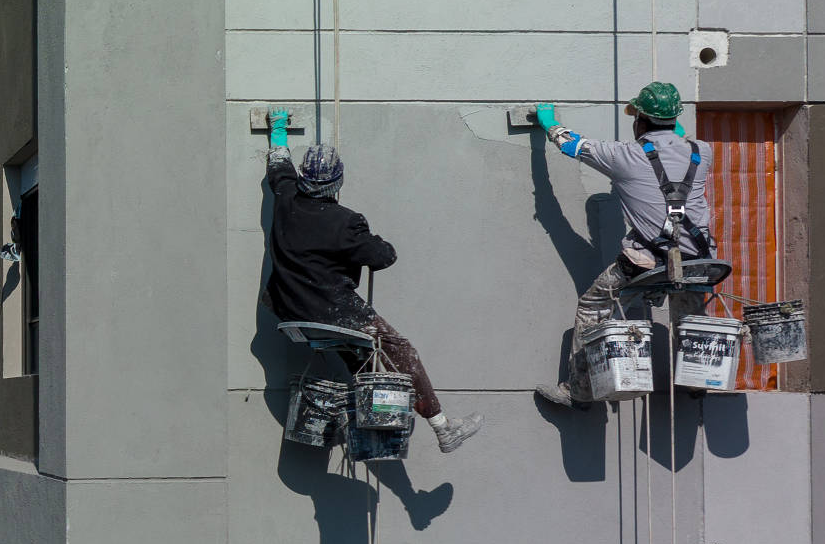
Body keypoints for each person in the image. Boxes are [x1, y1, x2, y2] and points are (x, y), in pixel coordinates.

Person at [265, 113, 481, 453]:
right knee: (399, 349)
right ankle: (442, 427)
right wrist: (369, 238)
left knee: (361, 358)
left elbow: (278, 164)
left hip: (288, 309)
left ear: (303, 178)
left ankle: (359, 418)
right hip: (334, 314)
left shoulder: (286, 198)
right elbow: (384, 256)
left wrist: (277, 129)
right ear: (337, 184)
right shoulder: (345, 223)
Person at [531, 81, 717, 407]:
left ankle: (580, 391)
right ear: (675, 119)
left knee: (593, 306)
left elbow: (571, 144)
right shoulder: (703, 153)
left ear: (640, 121)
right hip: (698, 260)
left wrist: (548, 121)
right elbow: (679, 138)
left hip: (646, 262)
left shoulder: (623, 156)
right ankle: (697, 378)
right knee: (689, 303)